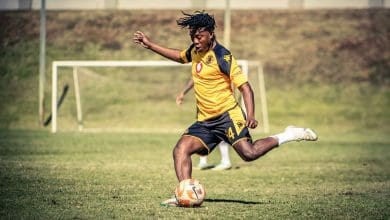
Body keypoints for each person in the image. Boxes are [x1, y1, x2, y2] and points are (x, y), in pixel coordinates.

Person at [133, 11, 318, 207]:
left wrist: (251, 114)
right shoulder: (195, 51)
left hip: (228, 116)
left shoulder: (223, 56)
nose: (195, 41)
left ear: (211, 34)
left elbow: (246, 88)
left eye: (199, 37)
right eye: (192, 37)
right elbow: (179, 56)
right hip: (205, 121)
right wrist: (150, 45)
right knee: (181, 149)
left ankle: (288, 134)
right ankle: (185, 194)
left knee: (249, 154)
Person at [176, 78, 232, 171]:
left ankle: (226, 161)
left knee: (221, 130)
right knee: (202, 130)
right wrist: (183, 92)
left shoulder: (218, 65)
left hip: (218, 105)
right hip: (204, 106)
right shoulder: (199, 66)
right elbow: (194, 77)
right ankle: (203, 161)